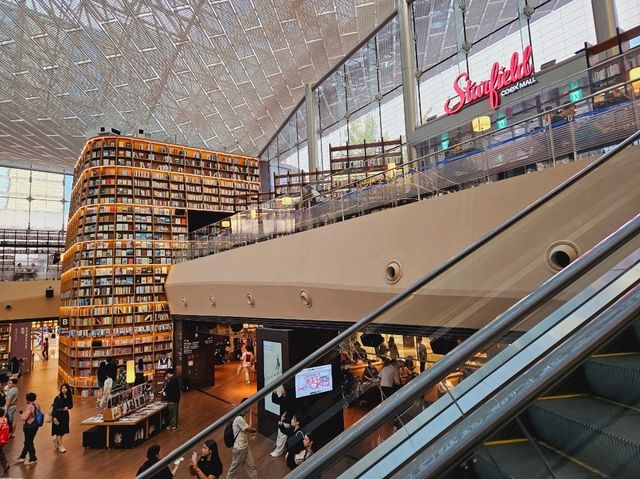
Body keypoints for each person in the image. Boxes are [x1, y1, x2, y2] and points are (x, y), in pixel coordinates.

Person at [226, 398, 258, 479]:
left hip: (245, 446)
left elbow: (246, 429)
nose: (250, 408)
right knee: (233, 470)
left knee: (251, 466)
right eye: (249, 406)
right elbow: (249, 428)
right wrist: (251, 414)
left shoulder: (242, 417)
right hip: (239, 448)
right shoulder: (239, 418)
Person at [15, 391, 41, 465]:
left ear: (28, 400)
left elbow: (23, 418)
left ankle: (33, 458)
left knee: (29, 442)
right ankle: (22, 456)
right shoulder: (37, 404)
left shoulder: (30, 406)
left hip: (29, 426)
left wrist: (21, 414)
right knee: (28, 441)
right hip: (36, 425)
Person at [270, 386, 295, 457]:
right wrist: (274, 393)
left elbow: (276, 400)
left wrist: (274, 392)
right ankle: (278, 450)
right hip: (282, 420)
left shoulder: (287, 399)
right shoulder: (285, 397)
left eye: (283, 388)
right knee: (280, 436)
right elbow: (276, 400)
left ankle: (278, 451)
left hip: (285, 421)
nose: (281, 389)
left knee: (282, 437)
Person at [51, 383, 73, 453]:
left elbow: (71, 405)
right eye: (62, 388)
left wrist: (68, 407)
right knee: (58, 432)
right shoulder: (58, 397)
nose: (64, 390)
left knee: (64, 430)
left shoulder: (69, 396)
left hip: (65, 415)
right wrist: (54, 417)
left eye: (65, 388)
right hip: (58, 415)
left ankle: (56, 440)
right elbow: (54, 408)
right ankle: (61, 446)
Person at [0, 407, 10, 473]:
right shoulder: (5, 419)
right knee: (1, 452)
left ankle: (5, 465)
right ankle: (5, 465)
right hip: (3, 439)